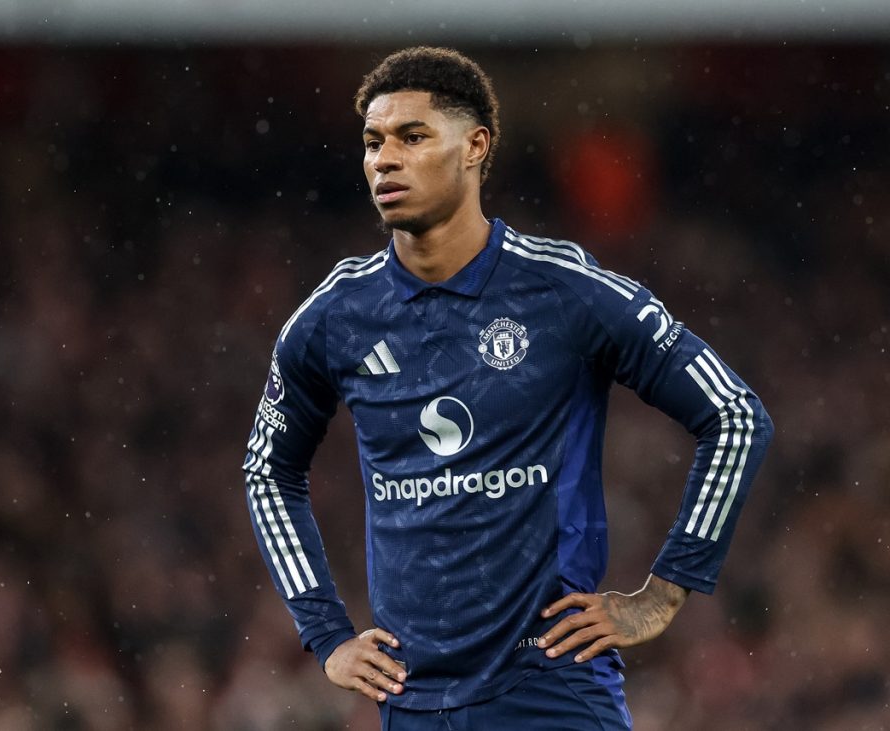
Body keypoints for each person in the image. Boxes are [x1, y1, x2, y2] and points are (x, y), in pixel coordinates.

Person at [243, 46, 773, 729]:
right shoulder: (333, 318)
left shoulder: (564, 291)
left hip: (551, 688)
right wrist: (324, 633)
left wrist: (664, 592)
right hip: (414, 698)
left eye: (412, 137)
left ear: (474, 146)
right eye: (373, 142)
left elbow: (733, 414)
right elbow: (267, 470)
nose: (384, 159)